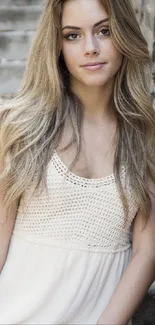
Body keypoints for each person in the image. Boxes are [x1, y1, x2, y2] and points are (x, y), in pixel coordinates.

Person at [0, 0, 155, 324]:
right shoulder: (22, 125)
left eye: (104, 31)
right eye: (73, 35)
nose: (90, 48)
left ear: (125, 34)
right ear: (57, 45)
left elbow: (147, 252)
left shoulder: (145, 136)